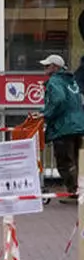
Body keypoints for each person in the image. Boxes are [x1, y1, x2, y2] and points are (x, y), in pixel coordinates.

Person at [39, 54, 84, 203]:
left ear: (55, 67)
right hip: (78, 126)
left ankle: (74, 192)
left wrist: (45, 114)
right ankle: (78, 191)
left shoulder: (55, 81)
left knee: (65, 162)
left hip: (63, 127)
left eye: (47, 66)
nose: (44, 68)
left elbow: (58, 99)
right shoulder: (71, 81)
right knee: (76, 160)